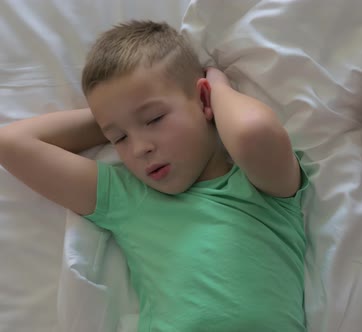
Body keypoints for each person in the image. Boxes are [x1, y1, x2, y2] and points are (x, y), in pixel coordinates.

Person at [0, 20, 309, 331]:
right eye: (119, 139)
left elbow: (252, 132)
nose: (139, 148)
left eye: (154, 118)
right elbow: (11, 143)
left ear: (203, 101)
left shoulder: (263, 187)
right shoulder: (129, 198)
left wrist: (218, 87)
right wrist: (114, 117)